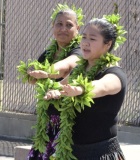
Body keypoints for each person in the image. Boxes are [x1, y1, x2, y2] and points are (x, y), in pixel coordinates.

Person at [44, 15, 127, 160]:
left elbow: (102, 86)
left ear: (108, 44)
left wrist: (81, 89)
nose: (85, 43)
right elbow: (59, 87)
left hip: (102, 153)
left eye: (92, 39)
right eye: (84, 37)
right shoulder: (78, 71)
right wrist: (50, 88)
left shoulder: (114, 74)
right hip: (72, 152)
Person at [26, 4, 84, 160]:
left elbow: (67, 66)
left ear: (77, 28)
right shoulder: (48, 53)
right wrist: (32, 73)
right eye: (59, 24)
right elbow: (33, 79)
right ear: (53, 27)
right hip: (49, 123)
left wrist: (47, 72)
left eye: (69, 25)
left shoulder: (80, 50)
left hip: (70, 123)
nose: (63, 28)